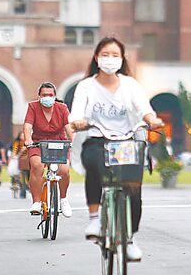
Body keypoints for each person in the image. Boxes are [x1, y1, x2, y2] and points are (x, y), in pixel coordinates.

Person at [69, 36, 163, 262]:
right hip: (98, 139)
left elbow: (143, 107)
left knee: (133, 190)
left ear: (122, 60)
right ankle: (94, 218)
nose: (110, 60)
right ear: (96, 58)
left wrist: (151, 119)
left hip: (126, 141)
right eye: (105, 55)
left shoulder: (130, 85)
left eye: (115, 55)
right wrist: (78, 121)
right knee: (94, 165)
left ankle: (129, 239)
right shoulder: (86, 86)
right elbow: (76, 112)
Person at [24, 81, 73, 216]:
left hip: (59, 143)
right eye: (44, 95)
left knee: (64, 170)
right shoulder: (33, 107)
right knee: (37, 165)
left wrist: (72, 140)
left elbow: (69, 128)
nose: (47, 97)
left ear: (55, 96)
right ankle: (36, 202)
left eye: (50, 95)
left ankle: (63, 199)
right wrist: (28, 139)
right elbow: (27, 126)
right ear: (39, 96)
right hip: (38, 143)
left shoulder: (62, 108)